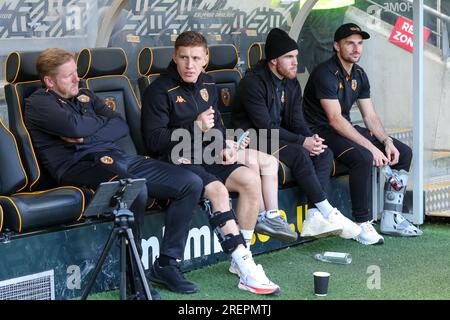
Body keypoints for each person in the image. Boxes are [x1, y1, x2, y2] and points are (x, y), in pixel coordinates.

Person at [25, 48, 204, 299]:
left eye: (76, 72)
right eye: (69, 76)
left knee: (191, 183)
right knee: (134, 189)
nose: (77, 79)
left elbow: (120, 123)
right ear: (49, 81)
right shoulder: (39, 102)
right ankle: (134, 279)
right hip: (80, 165)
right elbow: (73, 126)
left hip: (119, 158)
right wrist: (94, 126)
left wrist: (85, 135)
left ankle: (167, 264)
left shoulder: (84, 94)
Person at [141, 31, 280, 295]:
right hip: (175, 159)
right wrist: (194, 126)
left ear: (206, 58)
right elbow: (153, 141)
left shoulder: (208, 83)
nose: (189, 65)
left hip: (207, 155)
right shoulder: (158, 90)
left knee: (250, 179)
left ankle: (241, 259)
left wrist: (225, 145)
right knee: (217, 190)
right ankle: (247, 268)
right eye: (183, 57)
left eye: (195, 58)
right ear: (174, 57)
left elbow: (216, 125)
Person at [233, 27, 361, 241]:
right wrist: (303, 142)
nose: (295, 62)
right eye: (289, 57)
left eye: (296, 57)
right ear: (274, 60)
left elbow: (296, 120)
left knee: (324, 153)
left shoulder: (291, 82)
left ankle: (313, 215)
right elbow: (264, 127)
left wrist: (312, 139)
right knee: (300, 153)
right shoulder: (253, 82)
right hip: (251, 137)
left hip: (274, 136)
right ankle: (328, 211)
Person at [302, 23, 422, 245]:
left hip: (342, 128)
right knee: (364, 157)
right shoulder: (325, 73)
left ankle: (391, 217)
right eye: (350, 43)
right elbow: (335, 120)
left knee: (403, 152)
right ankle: (362, 223)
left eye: (359, 43)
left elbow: (370, 116)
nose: (356, 48)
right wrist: (370, 147)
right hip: (319, 132)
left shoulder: (359, 73)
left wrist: (385, 141)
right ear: (337, 46)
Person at [230, 133, 298, 243]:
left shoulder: (214, 117)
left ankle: (273, 215)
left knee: (270, 161)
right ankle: (261, 217)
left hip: (227, 148)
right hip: (211, 154)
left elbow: (220, 130)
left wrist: (236, 143)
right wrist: (225, 144)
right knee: (251, 162)